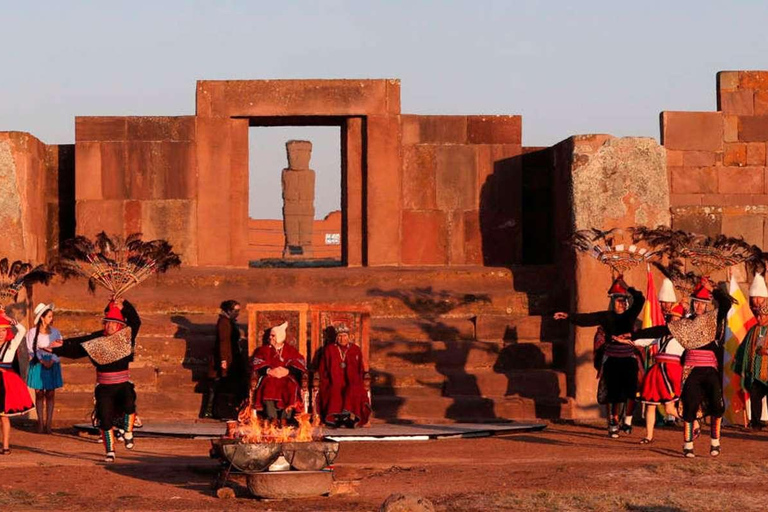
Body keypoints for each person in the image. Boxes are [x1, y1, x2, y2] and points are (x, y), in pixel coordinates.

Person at [630, 277, 731, 458]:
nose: (700, 306)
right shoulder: (685, 324)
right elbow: (660, 330)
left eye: (703, 303)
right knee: (689, 405)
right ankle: (688, 444)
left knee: (717, 404)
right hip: (691, 368)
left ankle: (715, 442)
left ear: (708, 304)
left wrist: (713, 289)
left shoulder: (714, 319)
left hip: (710, 368)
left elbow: (726, 303)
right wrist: (633, 335)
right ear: (693, 304)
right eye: (697, 303)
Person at [554, 275, 645, 438]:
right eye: (618, 300)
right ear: (612, 301)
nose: (621, 303)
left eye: (624, 300)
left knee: (632, 389)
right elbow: (587, 318)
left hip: (628, 357)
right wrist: (568, 316)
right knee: (613, 393)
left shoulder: (630, 315)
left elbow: (640, 299)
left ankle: (628, 421)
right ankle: (613, 421)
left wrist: (627, 287)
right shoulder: (606, 316)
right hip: (612, 359)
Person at [54, 298, 141, 462]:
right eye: (107, 323)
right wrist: (58, 347)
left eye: (113, 324)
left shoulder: (127, 337)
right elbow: (79, 346)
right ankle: (110, 450)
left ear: (119, 325)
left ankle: (128, 432)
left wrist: (125, 305)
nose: (109, 326)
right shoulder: (98, 339)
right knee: (104, 417)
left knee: (129, 404)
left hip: (122, 384)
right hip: (105, 386)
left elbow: (136, 322)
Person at [632, 279, 685, 444]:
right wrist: (626, 340)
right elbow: (645, 341)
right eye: (671, 318)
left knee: (670, 407)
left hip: (671, 371)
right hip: (657, 370)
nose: (673, 321)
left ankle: (692, 422)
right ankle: (648, 436)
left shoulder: (684, 337)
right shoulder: (661, 335)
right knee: (650, 404)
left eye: (676, 318)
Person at [250, 322, 307, 422]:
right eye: (270, 335)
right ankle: (272, 417)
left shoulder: (290, 350)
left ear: (280, 337)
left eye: (273, 336)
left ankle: (286, 418)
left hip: (287, 376)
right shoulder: (264, 350)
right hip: (270, 376)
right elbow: (257, 362)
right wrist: (269, 370)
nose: (270, 338)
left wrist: (288, 370)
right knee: (269, 385)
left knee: (291, 387)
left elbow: (300, 363)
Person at [733, 272, 768, 431]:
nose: (759, 318)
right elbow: (749, 348)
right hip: (755, 373)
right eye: (758, 315)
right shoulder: (755, 330)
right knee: (755, 396)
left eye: (762, 315)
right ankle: (756, 423)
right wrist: (742, 363)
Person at [318, 324, 371, 428]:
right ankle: (336, 418)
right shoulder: (329, 349)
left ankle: (350, 417)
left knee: (353, 389)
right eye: (340, 336)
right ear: (337, 338)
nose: (342, 339)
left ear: (349, 337)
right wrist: (326, 378)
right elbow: (323, 368)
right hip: (333, 379)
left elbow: (360, 368)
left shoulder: (355, 349)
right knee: (334, 389)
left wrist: (358, 379)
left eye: (345, 336)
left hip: (352, 379)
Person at [205, 300, 247, 419]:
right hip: (227, 358)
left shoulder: (229, 322)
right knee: (221, 385)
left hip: (232, 356)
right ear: (228, 310)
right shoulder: (224, 323)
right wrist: (224, 360)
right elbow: (223, 342)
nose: (238, 313)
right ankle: (215, 411)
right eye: (235, 311)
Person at [25, 303, 63, 434]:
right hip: (38, 363)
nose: (51, 319)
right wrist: (41, 360)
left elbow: (59, 348)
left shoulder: (56, 332)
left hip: (52, 362)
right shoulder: (31, 333)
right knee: (39, 393)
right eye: (49, 316)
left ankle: (49, 423)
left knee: (50, 393)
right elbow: (31, 349)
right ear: (42, 318)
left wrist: (52, 360)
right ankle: (40, 422)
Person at [0, 311, 35, 454]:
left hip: (5, 382)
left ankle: (6, 446)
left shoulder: (11, 344)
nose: (1, 333)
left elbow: (22, 330)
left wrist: (8, 318)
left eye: (3, 330)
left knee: (3, 416)